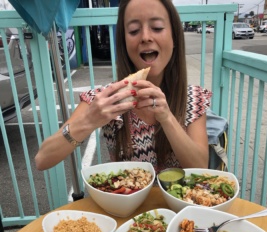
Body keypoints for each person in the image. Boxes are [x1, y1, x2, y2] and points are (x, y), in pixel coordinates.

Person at [35, 0, 212, 173]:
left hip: (180, 203)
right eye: (134, 30)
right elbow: (42, 159)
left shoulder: (192, 98)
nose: (145, 37)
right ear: (124, 43)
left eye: (157, 27)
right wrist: (88, 121)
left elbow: (201, 168)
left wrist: (167, 118)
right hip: (125, 201)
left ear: (174, 37)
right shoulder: (107, 98)